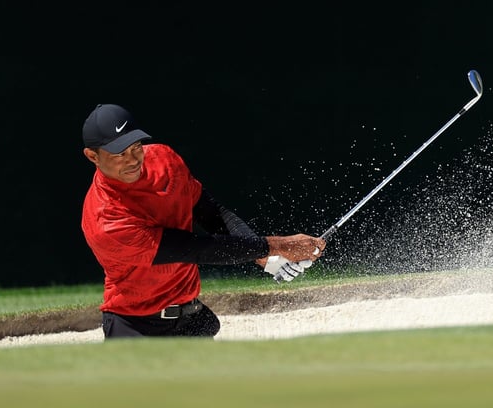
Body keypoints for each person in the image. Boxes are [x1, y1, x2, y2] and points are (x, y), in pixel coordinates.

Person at [80, 104, 325, 339]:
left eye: (136, 147)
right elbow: (194, 249)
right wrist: (276, 246)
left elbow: (211, 213)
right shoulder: (105, 218)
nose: (133, 160)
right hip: (136, 328)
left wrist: (263, 256)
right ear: (93, 156)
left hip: (190, 318)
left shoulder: (163, 159)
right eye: (120, 154)